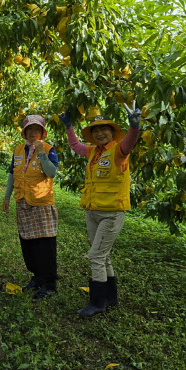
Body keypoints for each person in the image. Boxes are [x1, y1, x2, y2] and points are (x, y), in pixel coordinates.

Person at [59, 102, 141, 317]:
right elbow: (76, 146)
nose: (100, 133)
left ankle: (97, 303)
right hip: (93, 210)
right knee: (103, 256)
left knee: (95, 255)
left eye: (105, 129)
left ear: (112, 132)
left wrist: (134, 127)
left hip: (112, 213)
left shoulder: (119, 150)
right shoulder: (93, 152)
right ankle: (110, 297)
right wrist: (69, 127)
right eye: (96, 130)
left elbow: (130, 143)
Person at [2, 115, 60, 299]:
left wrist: (41, 153)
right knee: (28, 243)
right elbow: (12, 173)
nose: (33, 132)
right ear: (25, 132)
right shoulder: (18, 150)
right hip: (23, 202)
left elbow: (51, 173)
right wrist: (6, 196)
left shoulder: (49, 149)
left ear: (42, 133)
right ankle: (36, 277)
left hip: (41, 203)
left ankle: (49, 282)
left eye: (36, 129)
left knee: (44, 244)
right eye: (29, 129)